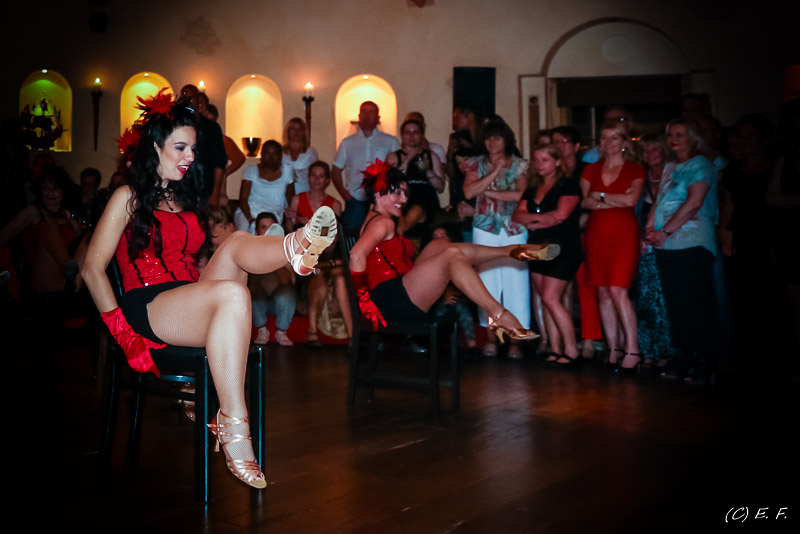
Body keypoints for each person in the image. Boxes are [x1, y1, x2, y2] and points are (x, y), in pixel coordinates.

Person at [80, 91, 338, 490]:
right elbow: (92, 269)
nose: (189, 156)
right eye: (180, 147)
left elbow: (200, 259)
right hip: (147, 306)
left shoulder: (185, 197)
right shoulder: (126, 197)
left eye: (193, 149)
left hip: (187, 298)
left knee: (235, 241)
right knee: (234, 295)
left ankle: (296, 245)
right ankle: (233, 426)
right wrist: (123, 333)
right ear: (155, 147)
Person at [349, 162, 556, 345]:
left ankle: (510, 251)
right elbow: (356, 256)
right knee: (451, 255)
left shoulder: (376, 218)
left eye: (405, 193)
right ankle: (498, 310)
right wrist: (364, 303)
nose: (404, 199)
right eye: (398, 193)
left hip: (398, 290)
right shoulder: (382, 222)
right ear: (379, 194)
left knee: (438, 246)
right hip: (391, 301)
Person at [645, 119, 719, 383]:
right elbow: (659, 201)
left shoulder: (701, 164)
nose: (674, 139)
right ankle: (684, 356)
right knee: (676, 304)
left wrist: (665, 231)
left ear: (693, 138)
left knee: (696, 303)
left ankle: (705, 360)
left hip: (693, 241)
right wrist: (650, 230)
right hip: (668, 244)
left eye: (680, 134)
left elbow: (694, 202)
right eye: (671, 135)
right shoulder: (669, 167)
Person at [463, 118, 533, 358]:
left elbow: (521, 195)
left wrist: (489, 191)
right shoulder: (476, 164)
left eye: (497, 137)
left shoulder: (519, 164)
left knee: (517, 282)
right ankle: (492, 338)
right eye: (488, 138)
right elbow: (469, 191)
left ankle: (515, 340)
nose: (492, 142)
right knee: (487, 282)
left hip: (514, 228)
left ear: (506, 140)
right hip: (485, 228)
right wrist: (493, 173)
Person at [580, 120, 645, 371]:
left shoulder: (635, 168)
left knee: (618, 290)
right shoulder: (591, 169)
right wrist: (607, 201)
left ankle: (633, 349)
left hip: (623, 234)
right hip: (597, 234)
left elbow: (631, 200)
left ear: (624, 142)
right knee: (603, 292)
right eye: (604, 138)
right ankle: (614, 348)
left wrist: (600, 196)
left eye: (614, 138)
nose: (608, 143)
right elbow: (583, 201)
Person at [513, 145, 582, 364]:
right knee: (545, 299)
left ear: (558, 162)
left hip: (563, 246)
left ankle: (572, 350)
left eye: (545, 159)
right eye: (537, 160)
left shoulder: (568, 185)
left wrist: (533, 220)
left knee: (551, 298)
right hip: (537, 245)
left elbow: (560, 216)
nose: (539, 164)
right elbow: (517, 216)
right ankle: (555, 347)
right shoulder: (533, 186)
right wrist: (540, 219)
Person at [285, 161, 350, 346]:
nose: (317, 180)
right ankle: (313, 331)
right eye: (313, 175)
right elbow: (290, 232)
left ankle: (316, 332)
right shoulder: (297, 199)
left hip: (326, 255)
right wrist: (291, 220)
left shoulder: (334, 204)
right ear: (308, 177)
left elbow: (334, 239)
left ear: (327, 180)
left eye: (321, 176)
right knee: (317, 274)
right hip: (304, 255)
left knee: (327, 274)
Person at [632, 134, 676, 367]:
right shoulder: (640, 178)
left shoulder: (674, 175)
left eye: (655, 148)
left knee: (666, 300)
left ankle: (668, 350)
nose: (650, 154)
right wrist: (640, 238)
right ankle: (648, 349)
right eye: (646, 150)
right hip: (642, 246)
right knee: (646, 299)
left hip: (672, 241)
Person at [332, 101, 400, 234]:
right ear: (359, 116)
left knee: (382, 233)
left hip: (382, 198)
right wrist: (344, 193)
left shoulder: (391, 141)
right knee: (353, 235)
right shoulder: (347, 143)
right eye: (363, 112)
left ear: (378, 118)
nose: (366, 115)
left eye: (370, 112)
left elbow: (398, 169)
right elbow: (336, 170)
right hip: (355, 199)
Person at [385, 118, 445, 241]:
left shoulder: (432, 156)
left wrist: (429, 171)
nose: (412, 136)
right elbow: (390, 181)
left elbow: (441, 187)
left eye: (416, 132)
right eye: (408, 132)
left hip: (425, 199)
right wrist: (408, 159)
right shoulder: (393, 157)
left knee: (417, 214)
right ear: (402, 136)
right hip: (403, 198)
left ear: (422, 135)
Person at [250, 212, 297, 347]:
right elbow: (252, 280)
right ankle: (262, 330)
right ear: (257, 231)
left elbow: (288, 281)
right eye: (263, 227)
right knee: (252, 289)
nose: (268, 231)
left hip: (279, 301)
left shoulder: (287, 250)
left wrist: (274, 256)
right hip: (260, 299)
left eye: (272, 227)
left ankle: (281, 332)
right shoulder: (249, 250)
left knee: (287, 293)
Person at [178, 84, 227, 206]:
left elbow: (219, 163)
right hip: (179, 190)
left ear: (198, 99)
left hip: (204, 189)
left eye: (191, 98)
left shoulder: (212, 127)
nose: (188, 101)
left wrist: (215, 193)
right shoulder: (175, 125)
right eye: (184, 98)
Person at [234, 139, 293, 232]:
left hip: (273, 215)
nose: (270, 157)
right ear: (262, 155)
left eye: (274, 154)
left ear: (280, 156)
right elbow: (243, 199)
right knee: (244, 233)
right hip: (249, 214)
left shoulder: (287, 171)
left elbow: (291, 198)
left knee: (272, 234)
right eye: (267, 153)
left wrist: (290, 218)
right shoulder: (251, 170)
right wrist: (250, 219)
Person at [206, 104, 246, 205]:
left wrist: (223, 173)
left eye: (212, 121)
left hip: (218, 195)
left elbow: (240, 158)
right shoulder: (193, 138)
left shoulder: (223, 140)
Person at [282, 117, 318, 196]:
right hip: (283, 194)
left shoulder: (311, 152)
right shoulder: (280, 152)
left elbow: (316, 175)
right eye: (293, 129)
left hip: (305, 193)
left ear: (304, 132)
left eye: (299, 129)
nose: (296, 132)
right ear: (288, 131)